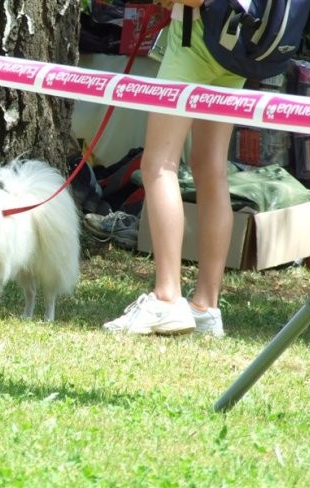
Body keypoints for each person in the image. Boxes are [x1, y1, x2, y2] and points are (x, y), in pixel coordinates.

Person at [103, 0, 246, 338]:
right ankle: (206, 307)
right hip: (239, 45)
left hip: (194, 39)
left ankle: (166, 297)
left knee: (158, 165)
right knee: (211, 168)